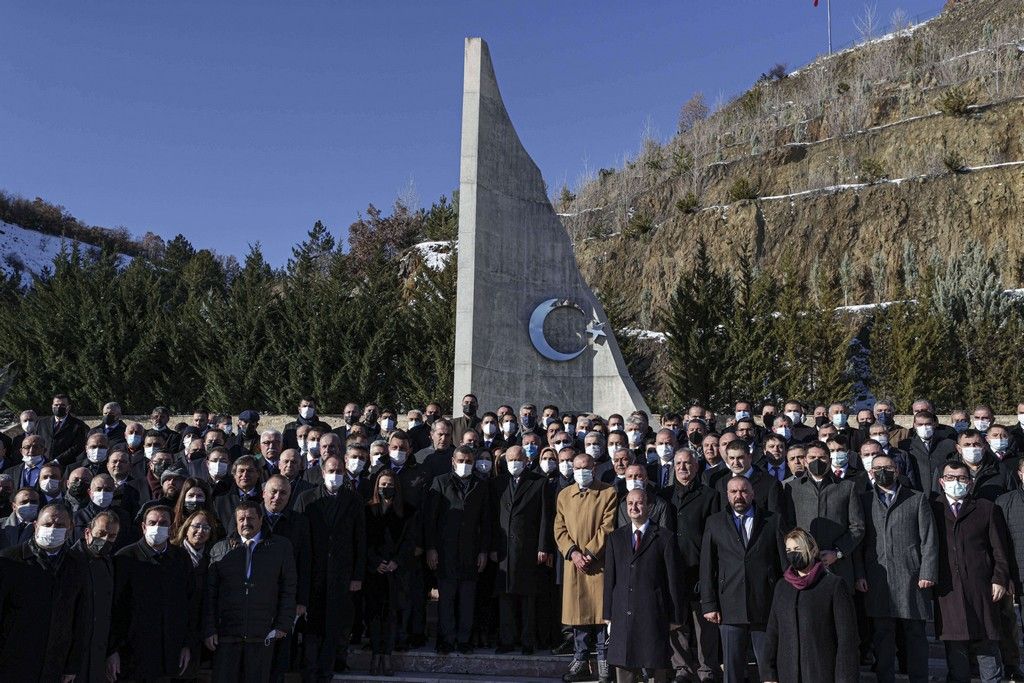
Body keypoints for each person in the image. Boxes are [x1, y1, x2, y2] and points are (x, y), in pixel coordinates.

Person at [856, 453, 938, 683]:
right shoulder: (863, 500)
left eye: (888, 468)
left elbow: (929, 539)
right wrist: (860, 573)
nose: (883, 472)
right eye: (878, 468)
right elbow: (859, 542)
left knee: (915, 635)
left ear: (897, 471)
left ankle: (919, 679)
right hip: (877, 577)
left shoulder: (916, 498)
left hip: (912, 577)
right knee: (882, 636)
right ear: (871, 473)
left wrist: (927, 572)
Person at [932, 461, 1011, 683]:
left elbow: (999, 550)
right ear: (941, 481)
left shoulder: (986, 508)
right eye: (950, 477)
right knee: (955, 647)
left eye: (961, 478)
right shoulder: (932, 508)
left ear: (970, 482)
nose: (956, 482)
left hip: (981, 586)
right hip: (948, 589)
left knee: (987, 642)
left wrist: (999, 579)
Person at [700, 476, 784, 683]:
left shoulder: (773, 520)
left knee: (769, 667)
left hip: (765, 604)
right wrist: (709, 604)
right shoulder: (714, 522)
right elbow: (707, 566)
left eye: (744, 491)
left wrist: (784, 601)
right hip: (729, 606)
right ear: (727, 495)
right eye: (734, 492)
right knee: (732, 670)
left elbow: (782, 563)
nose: (739, 496)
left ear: (752, 494)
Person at [204, 501, 297, 683]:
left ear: (261, 519)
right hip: (227, 632)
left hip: (262, 632)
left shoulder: (280, 547)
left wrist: (283, 624)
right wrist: (209, 629)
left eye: (251, 518)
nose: (246, 523)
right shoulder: (220, 549)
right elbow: (210, 594)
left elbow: (288, 588)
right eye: (241, 519)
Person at [293, 452, 366, 682]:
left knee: (333, 624)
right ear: (322, 472)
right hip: (312, 572)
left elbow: (360, 540)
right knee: (311, 626)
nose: (335, 475)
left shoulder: (353, 500)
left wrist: (357, 576)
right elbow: (298, 536)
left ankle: (326, 670)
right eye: (331, 471)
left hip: (341, 574)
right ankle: (309, 670)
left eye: (339, 471)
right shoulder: (306, 498)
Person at [0, 502, 89, 680]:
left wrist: (71, 665)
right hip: (12, 662)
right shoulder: (10, 560)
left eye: (60, 525)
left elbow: (79, 618)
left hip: (54, 664)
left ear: (70, 529)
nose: (53, 529)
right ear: (36, 526)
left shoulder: (77, 564)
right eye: (47, 524)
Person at [603, 488, 684, 683]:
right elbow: (610, 579)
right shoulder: (615, 538)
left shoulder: (665, 537)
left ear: (649, 506)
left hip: (653, 615)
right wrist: (607, 613)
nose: (634, 507)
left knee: (656, 668)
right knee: (625, 669)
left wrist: (675, 616)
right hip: (624, 613)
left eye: (639, 503)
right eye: (630, 504)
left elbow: (673, 580)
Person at [111, 505, 196, 681]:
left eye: (163, 523)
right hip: (132, 656)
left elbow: (190, 602)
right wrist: (112, 650)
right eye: (152, 523)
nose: (157, 527)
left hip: (170, 653)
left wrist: (187, 644)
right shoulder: (125, 558)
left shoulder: (181, 558)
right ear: (143, 527)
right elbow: (114, 609)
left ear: (171, 528)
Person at [763, 528, 859, 683]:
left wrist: (845, 679)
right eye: (789, 550)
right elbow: (773, 632)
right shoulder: (782, 587)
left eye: (797, 549)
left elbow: (847, 640)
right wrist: (769, 674)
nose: (793, 554)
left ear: (813, 550)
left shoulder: (833, 586)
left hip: (821, 674)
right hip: (787, 675)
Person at [658, 448, 721, 682]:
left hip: (700, 567)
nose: (683, 468)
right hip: (672, 568)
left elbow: (713, 533)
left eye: (687, 463)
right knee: (677, 622)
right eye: (678, 464)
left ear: (696, 467)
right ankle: (681, 668)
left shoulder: (709, 496)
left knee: (704, 623)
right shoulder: (664, 496)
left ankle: (707, 669)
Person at [554, 452, 617, 683]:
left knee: (600, 615)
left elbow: (607, 526)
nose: (581, 471)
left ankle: (603, 662)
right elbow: (559, 528)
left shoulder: (608, 492)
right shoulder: (564, 495)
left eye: (586, 467)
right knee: (578, 614)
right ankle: (580, 660)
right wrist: (573, 552)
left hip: (598, 563)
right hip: (574, 564)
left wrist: (590, 552)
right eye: (577, 467)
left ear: (595, 468)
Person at [425, 445, 491, 654]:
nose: (464, 465)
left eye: (468, 461)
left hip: (470, 552)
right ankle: (446, 639)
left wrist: (483, 551)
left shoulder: (481, 485)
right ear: (453, 461)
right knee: (446, 599)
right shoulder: (440, 482)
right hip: (445, 552)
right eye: (461, 461)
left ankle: (464, 639)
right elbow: (431, 519)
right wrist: (431, 548)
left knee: (467, 599)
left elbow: (486, 522)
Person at [492, 445, 553, 655]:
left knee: (528, 597)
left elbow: (545, 517)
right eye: (510, 460)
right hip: (504, 550)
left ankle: (528, 641)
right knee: (505, 596)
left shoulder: (538, 482)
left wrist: (543, 546)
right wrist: (492, 546)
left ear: (526, 461)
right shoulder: (499, 483)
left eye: (517, 459)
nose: (513, 463)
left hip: (528, 548)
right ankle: (506, 640)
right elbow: (493, 518)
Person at [782, 441, 864, 591]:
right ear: (805, 461)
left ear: (830, 460)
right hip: (804, 567)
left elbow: (857, 527)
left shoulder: (847, 487)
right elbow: (788, 525)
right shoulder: (792, 488)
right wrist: (800, 551)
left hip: (838, 566)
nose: (817, 461)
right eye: (812, 457)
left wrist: (838, 552)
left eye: (822, 458)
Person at [364, 469, 416, 675]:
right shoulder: (368, 510)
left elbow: (410, 541)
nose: (387, 488)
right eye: (383, 485)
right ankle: (376, 653)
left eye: (390, 485)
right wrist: (375, 562)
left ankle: (387, 655)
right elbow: (363, 540)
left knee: (392, 614)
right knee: (374, 614)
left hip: (397, 572)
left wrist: (397, 561)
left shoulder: (407, 511)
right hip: (374, 571)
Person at [70, 509, 120, 683]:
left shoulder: (108, 562)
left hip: (98, 656)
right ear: (88, 533)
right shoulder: (70, 561)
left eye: (112, 536)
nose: (105, 540)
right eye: (101, 534)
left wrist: (111, 650)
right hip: (73, 659)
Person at [37, 393, 90, 467]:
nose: (58, 407)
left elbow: (77, 446)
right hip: (42, 464)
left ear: (68, 407)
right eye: (56, 405)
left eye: (62, 405)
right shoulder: (42, 423)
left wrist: (57, 461)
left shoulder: (78, 425)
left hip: (65, 466)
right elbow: (36, 440)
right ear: (52, 406)